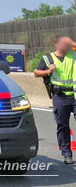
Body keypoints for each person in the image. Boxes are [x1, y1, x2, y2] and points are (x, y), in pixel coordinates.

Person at [34, 35, 76, 165]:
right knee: (62, 125)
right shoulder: (48, 58)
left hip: (74, 94)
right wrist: (49, 70)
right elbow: (36, 72)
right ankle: (67, 154)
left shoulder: (73, 56)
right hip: (60, 96)